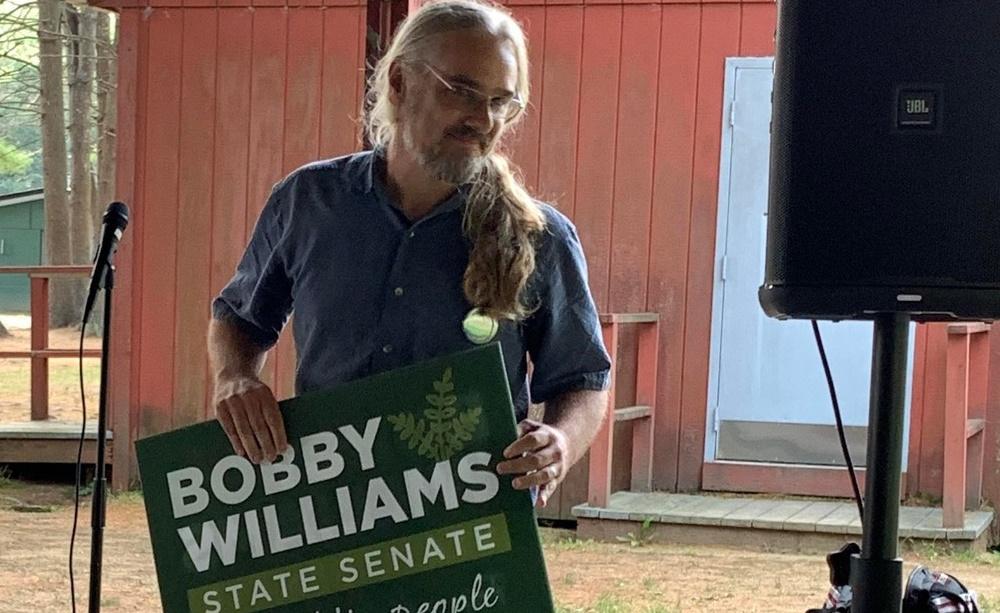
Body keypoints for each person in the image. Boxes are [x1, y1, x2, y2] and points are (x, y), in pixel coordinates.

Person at [208, 0, 611, 508]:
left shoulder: (540, 236)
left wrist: (562, 443)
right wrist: (235, 377)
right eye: (461, 91)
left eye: (500, 102)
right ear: (399, 83)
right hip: (329, 513)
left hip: (471, 528)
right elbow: (240, 318)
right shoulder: (310, 203)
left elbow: (583, 379)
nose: (482, 120)